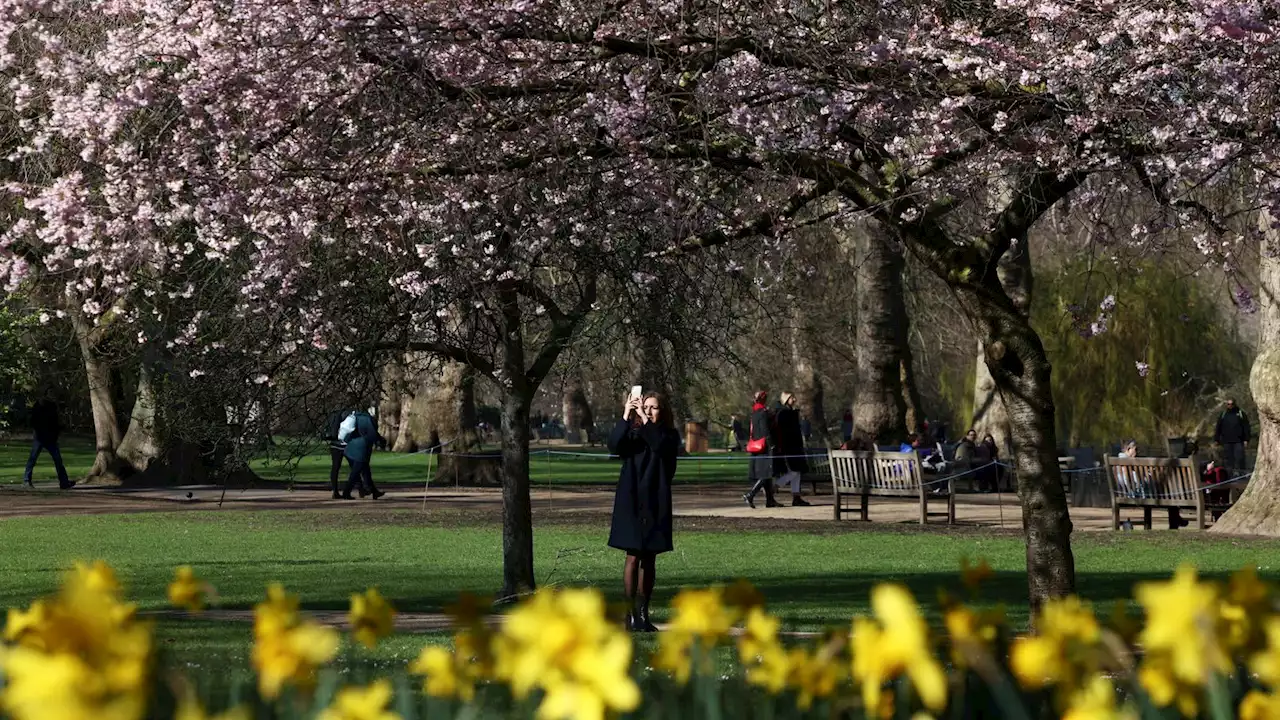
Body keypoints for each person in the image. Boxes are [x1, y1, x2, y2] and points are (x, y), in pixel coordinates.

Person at [608, 391, 679, 632]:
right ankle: (629, 617)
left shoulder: (669, 435)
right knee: (632, 556)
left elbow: (659, 445)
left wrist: (645, 422)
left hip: (655, 501)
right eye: (645, 407)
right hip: (631, 499)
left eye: (654, 407)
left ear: (663, 411)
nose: (648, 411)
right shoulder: (634, 433)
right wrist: (626, 414)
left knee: (649, 558)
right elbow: (614, 445)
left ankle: (642, 614)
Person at [23, 394, 73, 489]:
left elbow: (54, 422)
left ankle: (64, 482)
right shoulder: (41, 406)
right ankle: (26, 480)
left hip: (47, 438)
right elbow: (34, 421)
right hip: (42, 437)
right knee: (34, 459)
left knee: (56, 460)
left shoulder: (51, 406)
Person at [743, 391, 781, 508]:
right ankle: (750, 494)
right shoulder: (763, 413)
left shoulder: (754, 413)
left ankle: (770, 500)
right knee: (766, 473)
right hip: (765, 446)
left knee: (766, 473)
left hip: (757, 446)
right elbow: (765, 430)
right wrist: (772, 444)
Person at [339, 407, 386, 500]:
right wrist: (381, 441)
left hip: (351, 448)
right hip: (361, 450)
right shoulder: (367, 419)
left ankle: (374, 491)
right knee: (355, 473)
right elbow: (373, 434)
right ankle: (346, 492)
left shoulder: (355, 417)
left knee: (366, 471)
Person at [772, 392, 811, 507]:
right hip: (789, 446)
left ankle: (796, 497)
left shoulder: (790, 413)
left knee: (797, 471)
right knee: (794, 471)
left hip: (795, 446)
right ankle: (775, 486)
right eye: (791, 398)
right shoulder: (784, 413)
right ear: (786, 400)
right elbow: (784, 432)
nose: (794, 399)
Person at [322, 407, 354, 499]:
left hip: (334, 444)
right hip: (345, 445)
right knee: (355, 468)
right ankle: (358, 490)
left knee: (335, 468)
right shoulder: (349, 414)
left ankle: (335, 491)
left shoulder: (334, 414)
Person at [1214, 398, 1250, 475]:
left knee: (1239, 457)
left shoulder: (1241, 414)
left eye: (1232, 404)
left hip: (1238, 440)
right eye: (1228, 404)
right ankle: (1229, 473)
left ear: (1235, 404)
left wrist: (1246, 439)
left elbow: (1246, 427)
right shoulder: (1223, 414)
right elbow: (1218, 427)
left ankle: (1241, 473)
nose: (1230, 406)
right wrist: (1216, 439)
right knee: (1228, 458)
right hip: (1226, 440)